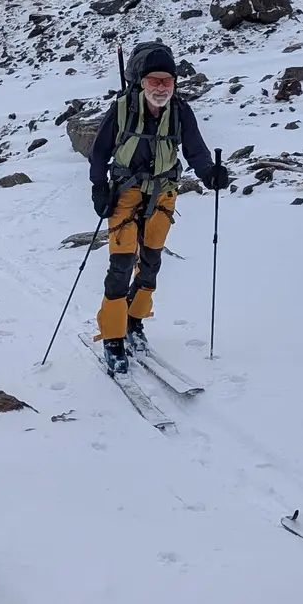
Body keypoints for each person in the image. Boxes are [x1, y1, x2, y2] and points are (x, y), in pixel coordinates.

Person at [87, 43, 229, 375]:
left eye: (167, 80)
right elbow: (99, 153)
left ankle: (134, 321)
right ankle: (113, 336)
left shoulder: (180, 112)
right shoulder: (122, 109)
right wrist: (98, 189)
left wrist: (210, 173)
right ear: (142, 82)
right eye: (155, 80)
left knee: (150, 264)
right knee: (121, 266)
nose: (161, 87)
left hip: (163, 196)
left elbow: (196, 152)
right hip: (124, 195)